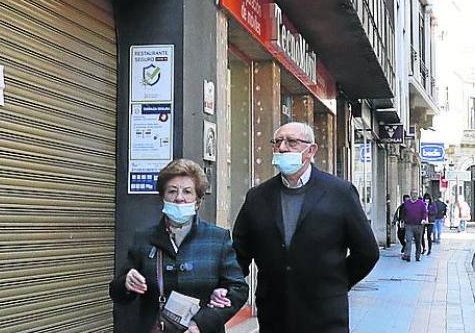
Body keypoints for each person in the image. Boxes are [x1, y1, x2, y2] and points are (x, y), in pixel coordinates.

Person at [232, 122, 379, 333]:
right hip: (274, 316)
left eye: (291, 142)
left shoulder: (340, 192)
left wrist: (335, 283)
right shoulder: (257, 197)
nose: (282, 148)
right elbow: (239, 253)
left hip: (325, 316)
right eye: (277, 142)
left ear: (311, 150)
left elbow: (367, 252)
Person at [110, 159, 248, 333]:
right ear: (163, 197)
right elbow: (117, 292)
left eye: (187, 192)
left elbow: (238, 289)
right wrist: (126, 283)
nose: (179, 198)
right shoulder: (144, 238)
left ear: (198, 201)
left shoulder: (217, 238)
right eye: (172, 191)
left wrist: (203, 322)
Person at [401, 193, 427, 261]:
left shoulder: (421, 203)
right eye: (413, 194)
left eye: (416, 194)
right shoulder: (407, 203)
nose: (415, 195)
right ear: (411, 195)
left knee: (418, 241)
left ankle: (417, 256)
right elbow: (403, 213)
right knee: (408, 240)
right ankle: (407, 255)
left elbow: (424, 212)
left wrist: (424, 219)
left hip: (418, 225)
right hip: (408, 225)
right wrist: (403, 221)